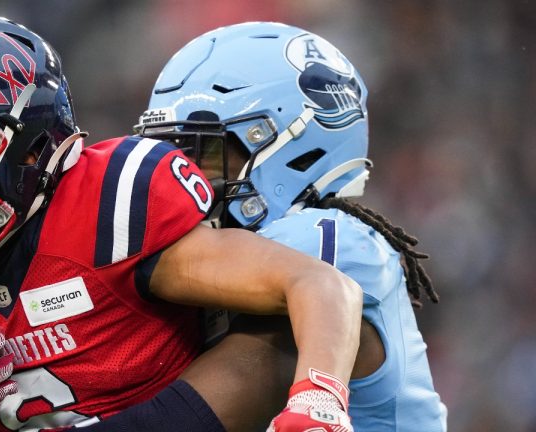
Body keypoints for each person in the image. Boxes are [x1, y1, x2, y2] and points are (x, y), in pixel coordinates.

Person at [0, 15, 362, 432]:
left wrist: (318, 401)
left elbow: (316, 284)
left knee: (264, 345)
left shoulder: (113, 207)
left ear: (27, 152)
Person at [133, 22, 448, 431]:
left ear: (297, 144)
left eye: (203, 155)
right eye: (168, 158)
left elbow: (213, 400)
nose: (181, 180)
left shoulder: (326, 238)